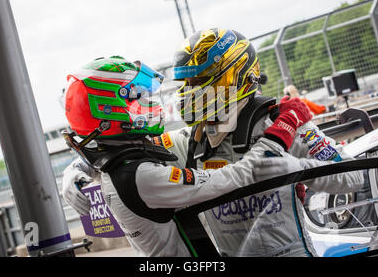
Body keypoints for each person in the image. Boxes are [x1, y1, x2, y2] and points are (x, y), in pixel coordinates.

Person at [61, 55, 331, 257]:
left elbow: (341, 168)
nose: (145, 105)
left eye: (199, 82)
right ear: (108, 109)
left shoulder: (129, 158)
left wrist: (79, 165)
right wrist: (278, 136)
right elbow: (234, 176)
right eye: (135, 98)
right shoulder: (142, 173)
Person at [162, 28, 363, 257]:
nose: (188, 90)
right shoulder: (189, 141)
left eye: (198, 80)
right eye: (185, 82)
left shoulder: (282, 124)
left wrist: (302, 169)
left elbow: (354, 177)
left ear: (236, 76)